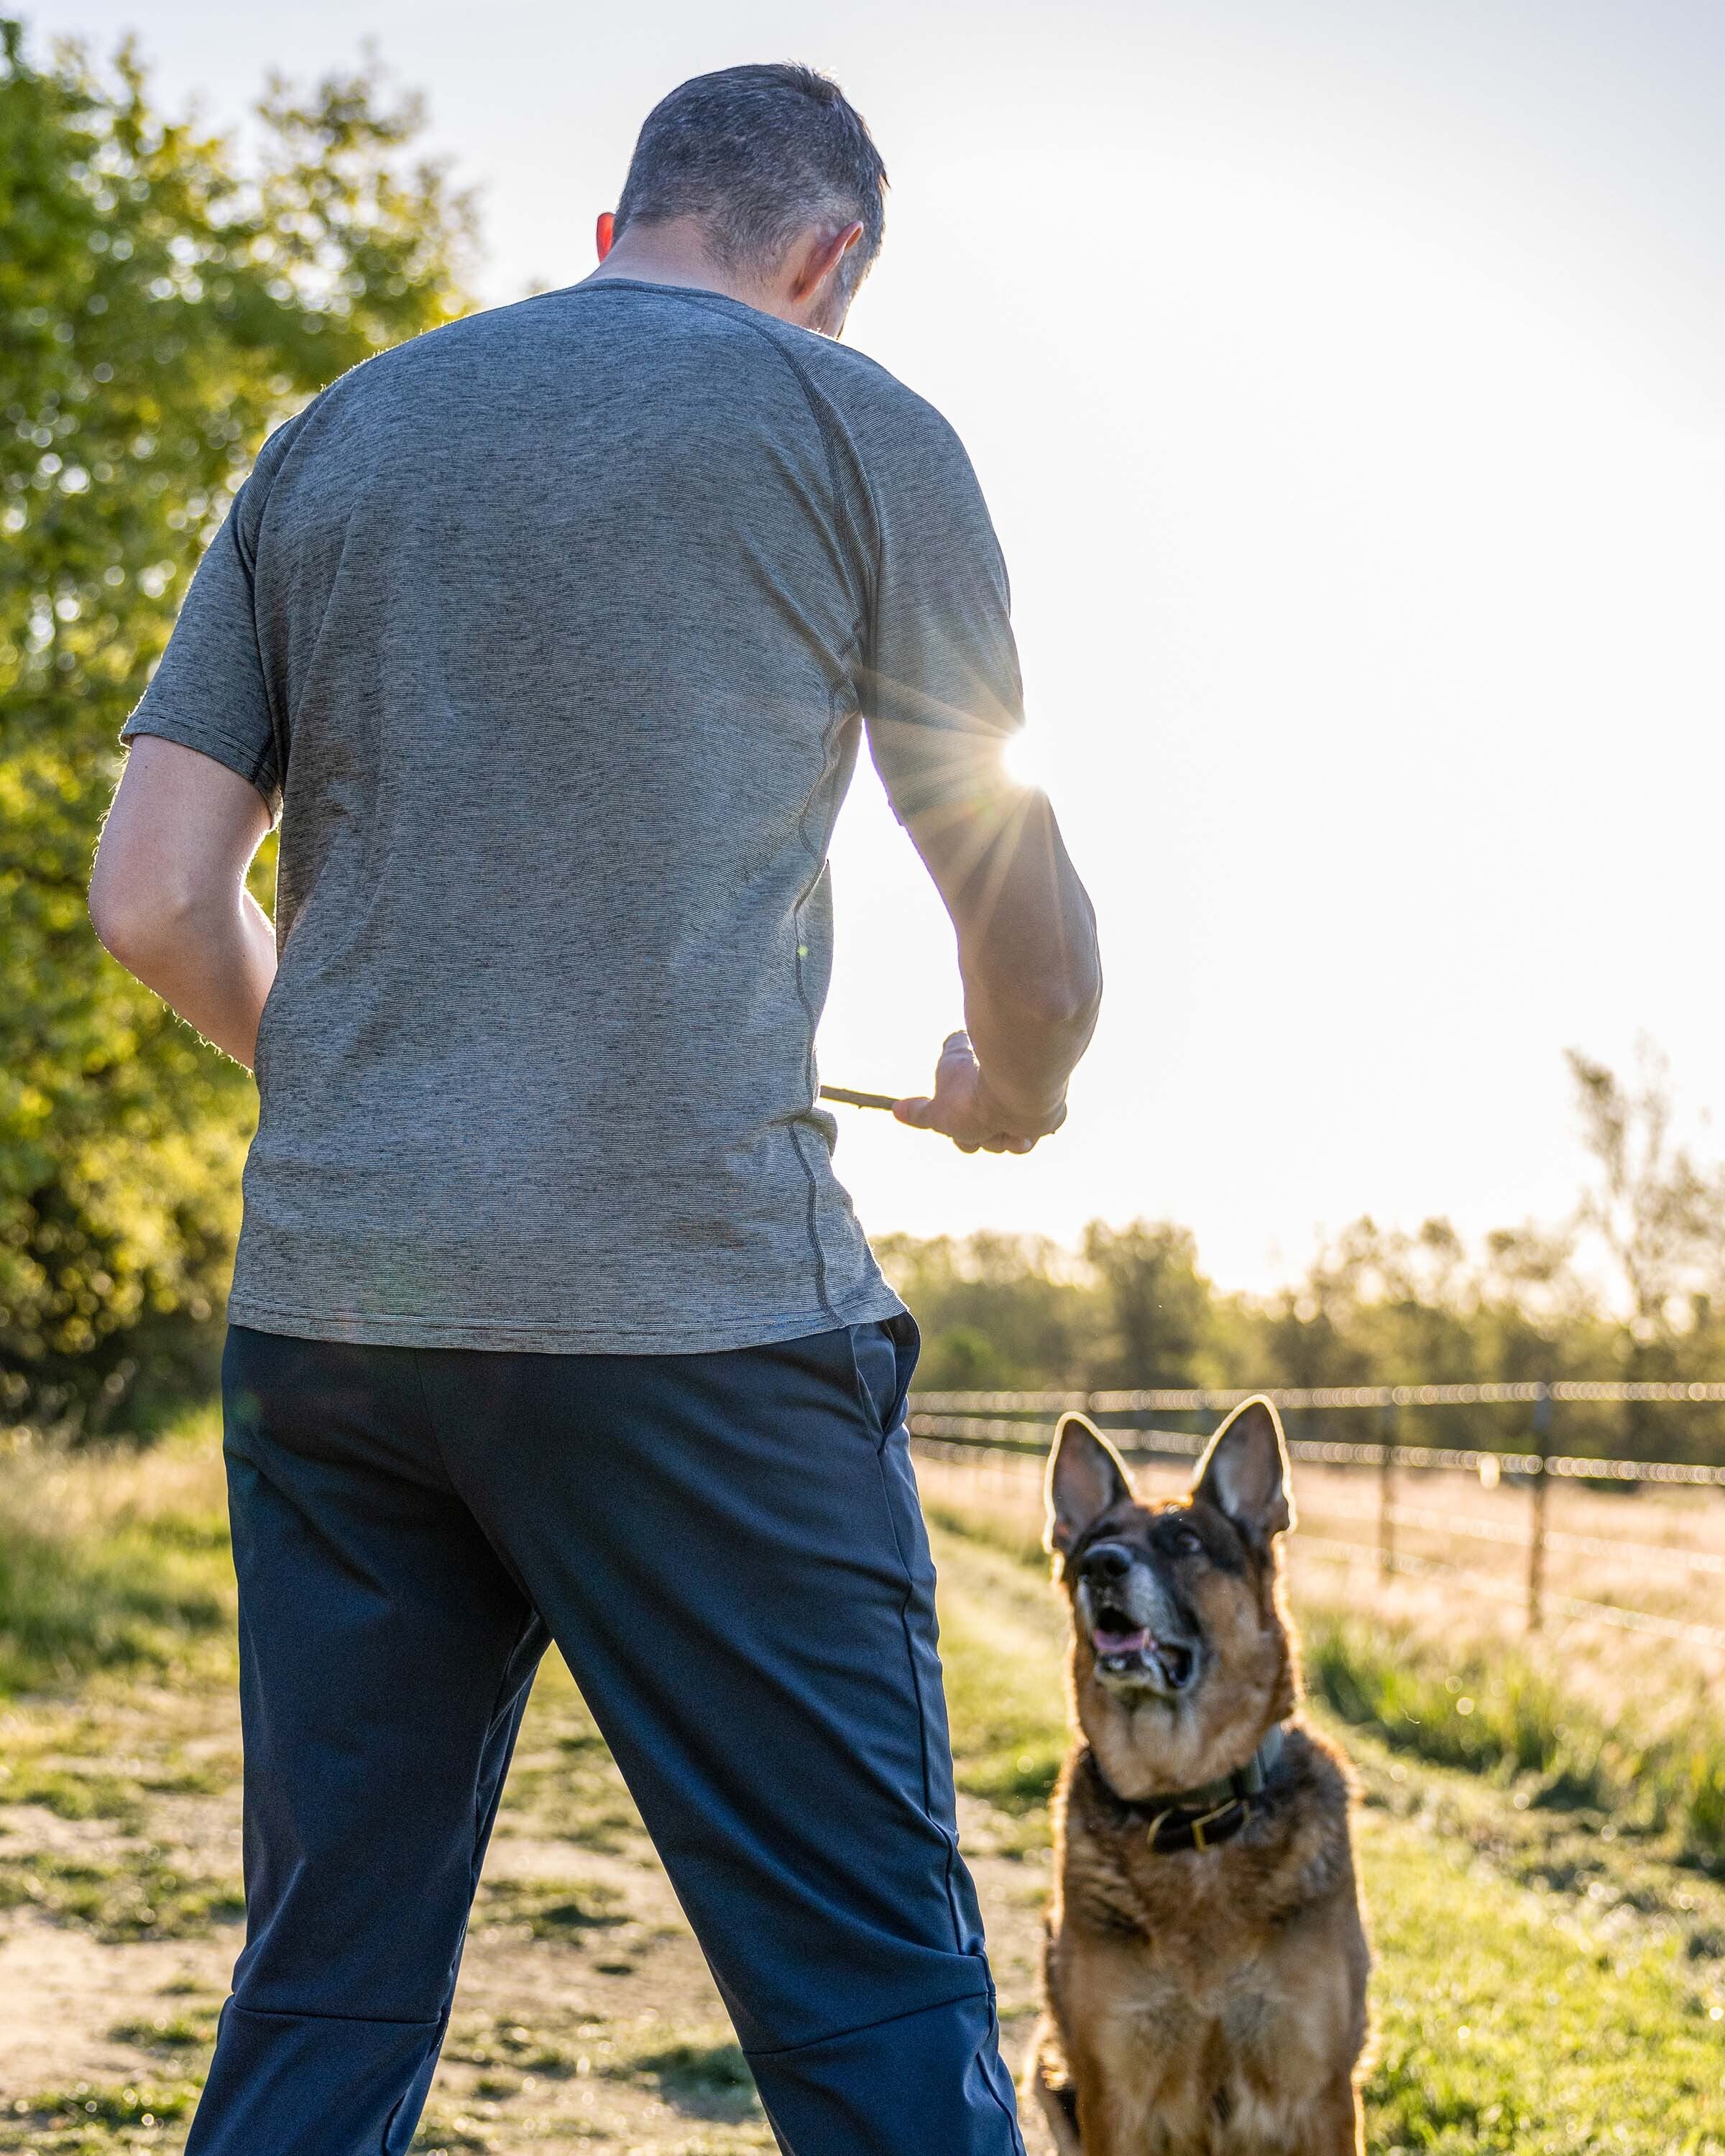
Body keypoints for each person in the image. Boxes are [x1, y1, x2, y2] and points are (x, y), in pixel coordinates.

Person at [88, 61, 1100, 2156]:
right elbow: (1018, 893)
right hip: (701, 1325)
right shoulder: (856, 422)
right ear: (830, 260)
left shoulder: (337, 434)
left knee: (327, 1988)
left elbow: (158, 898)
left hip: (343, 1336)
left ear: (617, 224)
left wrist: (375, 1093)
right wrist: (1017, 1083)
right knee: (874, 1998)